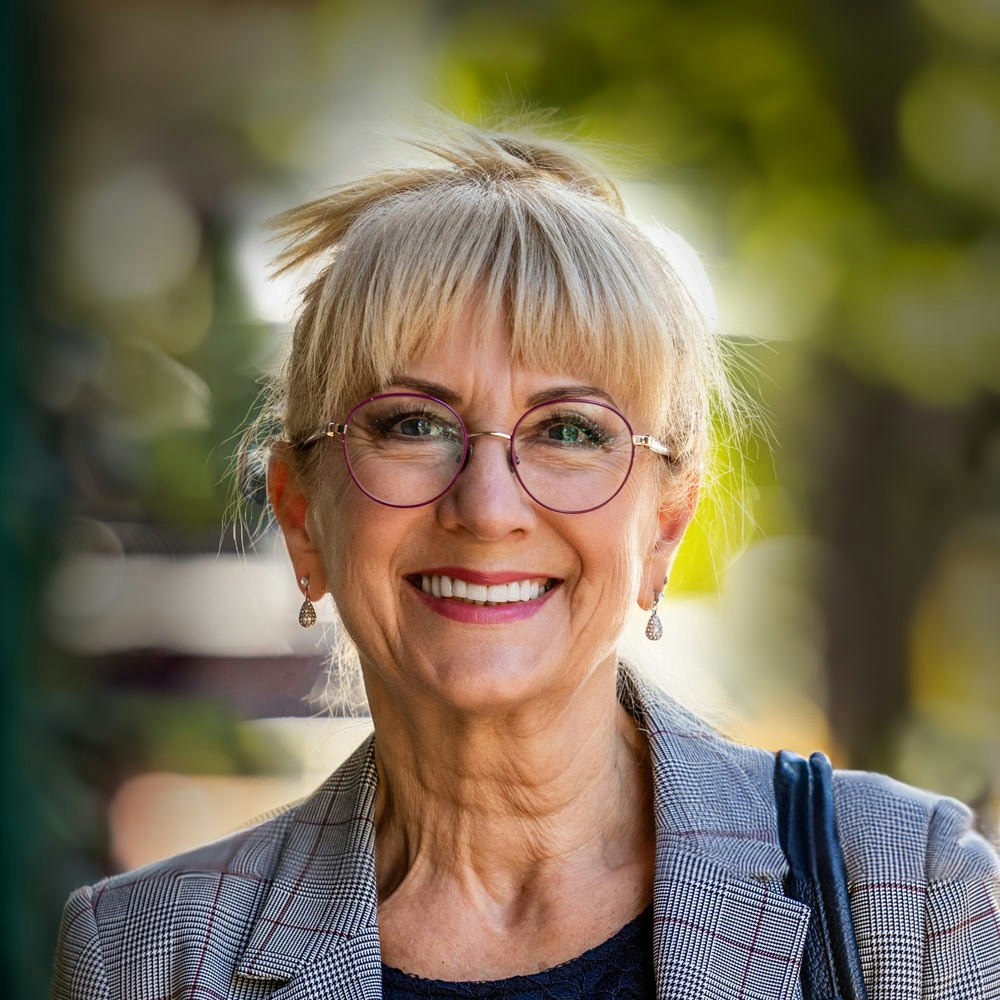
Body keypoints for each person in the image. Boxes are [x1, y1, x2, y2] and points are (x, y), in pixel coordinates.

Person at [53, 121, 999, 1000]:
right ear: (302, 517)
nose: (489, 507)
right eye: (412, 424)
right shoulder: (149, 956)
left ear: (665, 526)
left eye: (572, 431)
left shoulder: (908, 901)